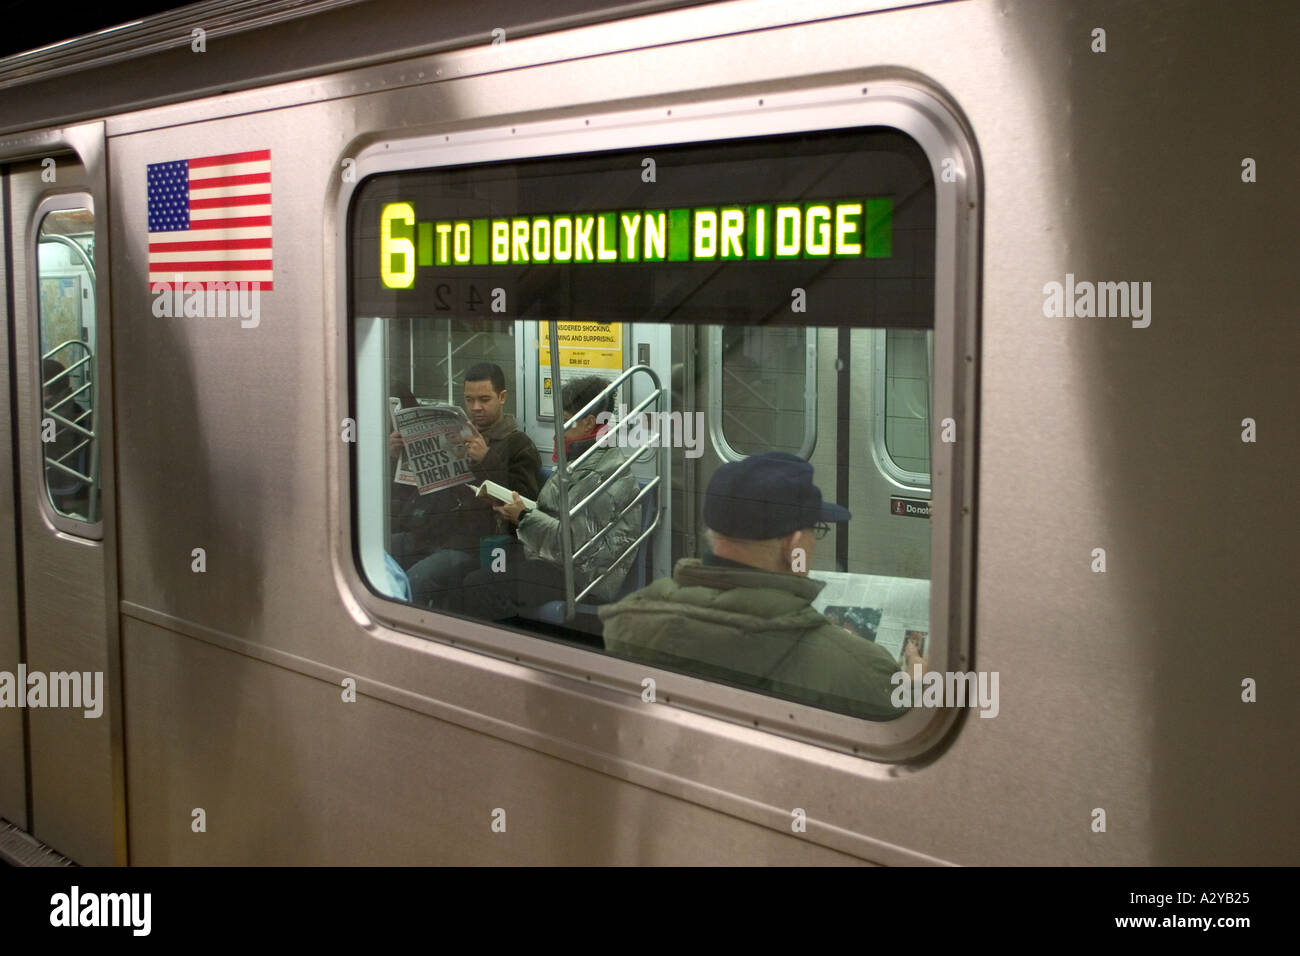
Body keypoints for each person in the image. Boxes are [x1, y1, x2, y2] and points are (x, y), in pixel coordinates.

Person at [599, 451, 910, 721]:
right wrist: (916, 681)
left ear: (715, 534)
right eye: (816, 530)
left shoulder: (628, 620)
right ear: (794, 547)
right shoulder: (862, 671)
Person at [457, 375, 640, 622]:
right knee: (481, 568)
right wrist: (516, 510)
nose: (558, 429)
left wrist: (523, 517)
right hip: (552, 560)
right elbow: (552, 513)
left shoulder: (603, 474)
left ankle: (506, 646)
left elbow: (575, 545)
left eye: (564, 421)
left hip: (582, 575)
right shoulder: (579, 462)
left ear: (587, 423)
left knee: (479, 583)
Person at [389, 363, 542, 606]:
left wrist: (487, 460)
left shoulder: (518, 445)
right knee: (375, 553)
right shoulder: (452, 436)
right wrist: (399, 458)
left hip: (474, 543)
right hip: (429, 530)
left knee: (416, 580)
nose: (475, 408)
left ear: (502, 397)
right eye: (469, 400)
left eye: (484, 399)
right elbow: (417, 491)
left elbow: (524, 505)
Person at [42, 358, 92, 516]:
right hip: (66, 474)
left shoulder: (50, 415)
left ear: (46, 386)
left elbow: (46, 445)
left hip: (55, 478)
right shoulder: (73, 407)